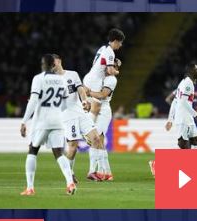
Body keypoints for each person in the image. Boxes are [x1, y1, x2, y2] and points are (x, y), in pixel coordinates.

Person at [20, 54, 76, 196]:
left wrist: (24, 121)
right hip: (58, 120)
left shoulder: (39, 78)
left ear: (43, 64)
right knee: (58, 153)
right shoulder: (62, 80)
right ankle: (70, 182)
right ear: (53, 65)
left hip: (42, 121)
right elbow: (64, 104)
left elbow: (33, 101)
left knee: (33, 150)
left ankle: (30, 188)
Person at [52, 54, 104, 183]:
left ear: (59, 61)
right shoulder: (51, 81)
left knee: (96, 138)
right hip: (67, 116)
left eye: (54, 62)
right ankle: (70, 173)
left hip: (80, 112)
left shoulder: (72, 74)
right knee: (73, 147)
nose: (53, 65)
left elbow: (81, 90)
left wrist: (85, 101)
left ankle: (92, 172)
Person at [84, 58, 121, 181]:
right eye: (112, 65)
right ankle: (107, 172)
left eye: (115, 67)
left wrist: (89, 93)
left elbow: (103, 95)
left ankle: (93, 171)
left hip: (103, 111)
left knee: (95, 139)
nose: (112, 68)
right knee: (98, 141)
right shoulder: (98, 76)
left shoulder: (111, 80)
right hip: (93, 108)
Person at [83, 28, 124, 123]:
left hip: (89, 76)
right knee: (96, 108)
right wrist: (117, 72)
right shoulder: (110, 52)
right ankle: (88, 129)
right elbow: (110, 70)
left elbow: (99, 63)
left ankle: (83, 125)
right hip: (96, 80)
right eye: (120, 42)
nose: (120, 45)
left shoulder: (102, 48)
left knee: (87, 106)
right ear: (115, 41)